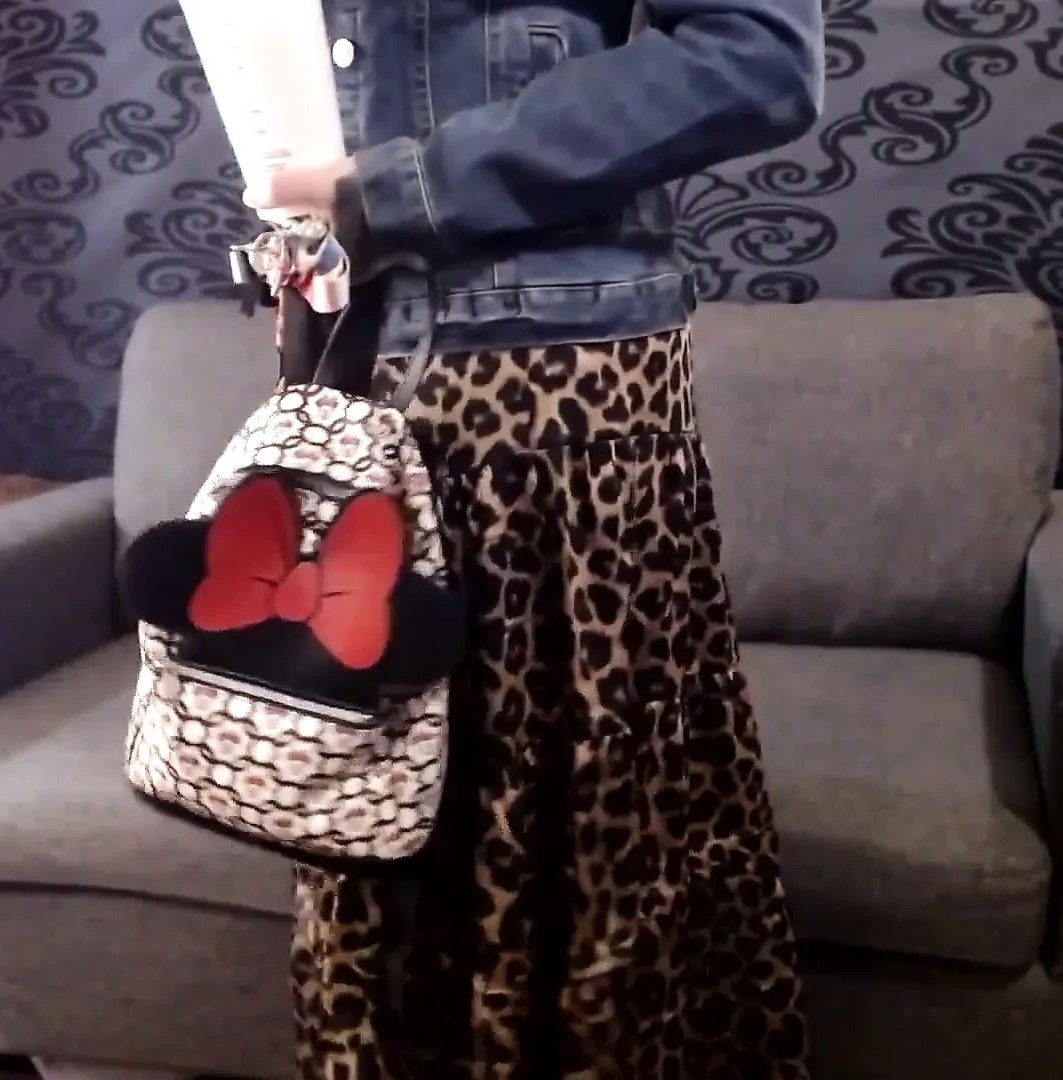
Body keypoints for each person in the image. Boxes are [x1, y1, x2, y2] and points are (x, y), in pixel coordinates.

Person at [245, 0, 825, 1076]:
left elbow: (759, 60)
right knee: (375, 812)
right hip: (357, 367)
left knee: (589, 827)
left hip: (556, 382)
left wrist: (404, 187)